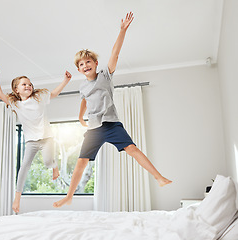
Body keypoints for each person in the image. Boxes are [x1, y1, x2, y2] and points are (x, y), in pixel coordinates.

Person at [53, 12, 172, 208]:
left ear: (95, 63)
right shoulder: (82, 86)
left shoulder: (105, 76)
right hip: (94, 129)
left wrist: (122, 30)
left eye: (88, 62)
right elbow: (84, 100)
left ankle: (158, 177)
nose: (85, 65)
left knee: (132, 149)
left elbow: (115, 53)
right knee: (82, 162)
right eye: (81, 64)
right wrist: (80, 117)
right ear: (79, 69)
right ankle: (69, 195)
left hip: (111, 124)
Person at [0, 63, 72, 213]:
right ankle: (17, 198)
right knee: (24, 167)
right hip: (31, 141)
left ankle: (54, 168)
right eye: (24, 84)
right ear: (16, 89)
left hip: (47, 138)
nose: (28, 86)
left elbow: (53, 93)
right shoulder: (15, 104)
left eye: (29, 84)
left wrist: (65, 81)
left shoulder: (39, 97)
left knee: (48, 162)